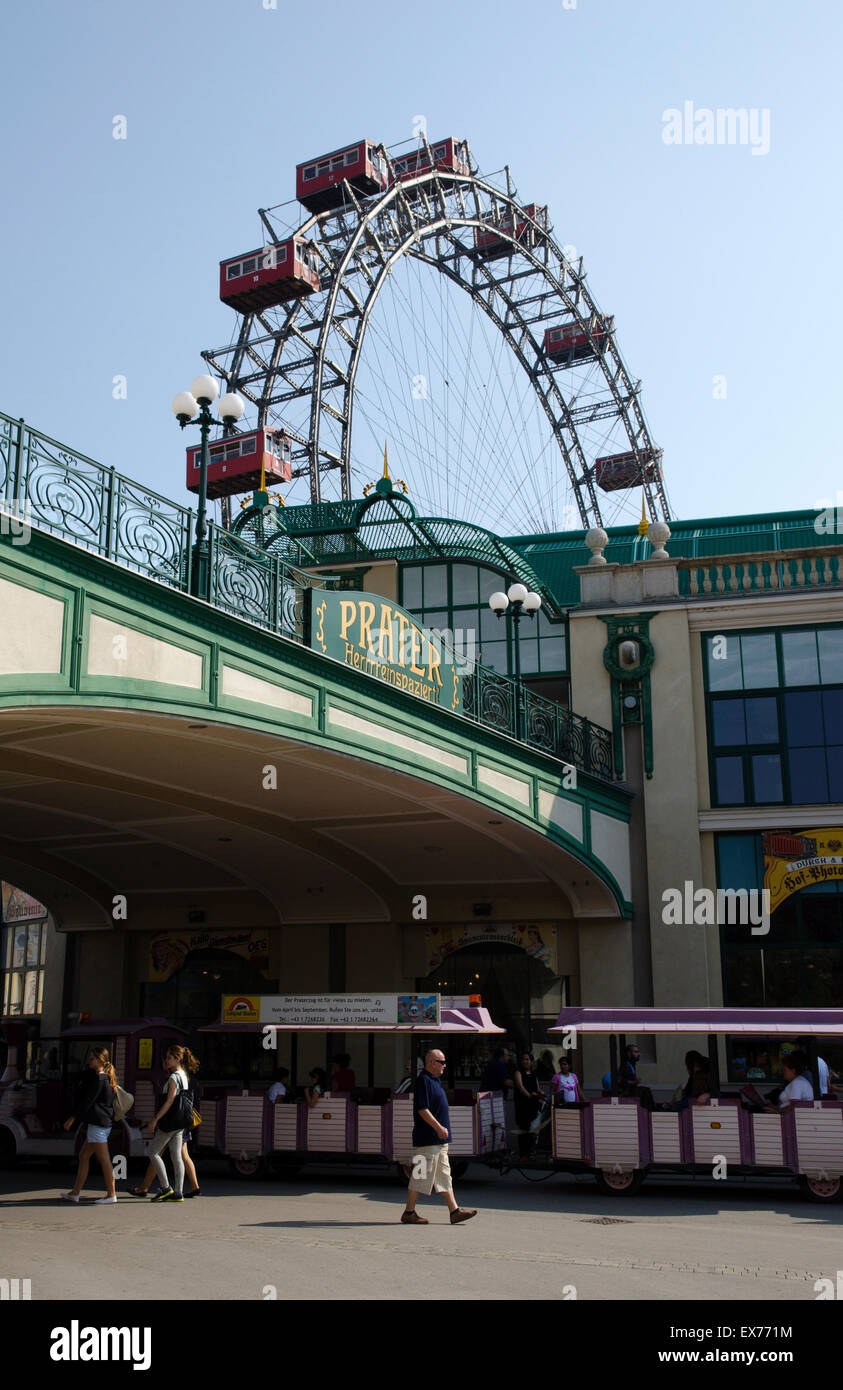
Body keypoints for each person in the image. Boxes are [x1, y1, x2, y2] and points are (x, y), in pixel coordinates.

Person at [401, 1048, 476, 1226]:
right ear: (432, 1063)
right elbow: (422, 1109)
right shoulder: (423, 1081)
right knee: (420, 1175)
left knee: (444, 1175)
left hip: (439, 1141)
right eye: (441, 1062)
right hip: (427, 1139)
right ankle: (409, 1212)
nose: (444, 1065)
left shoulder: (435, 1081)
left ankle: (454, 1211)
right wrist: (438, 1127)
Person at [61, 1045, 118, 1204]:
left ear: (100, 1060)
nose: (89, 1061)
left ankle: (111, 1194)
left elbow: (88, 1101)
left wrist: (72, 1118)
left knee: (104, 1159)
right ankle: (75, 1192)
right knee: (84, 1155)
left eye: (92, 1058)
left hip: (98, 1124)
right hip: (103, 1123)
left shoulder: (99, 1078)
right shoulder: (107, 1077)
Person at [144, 1044, 192, 1202]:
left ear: (177, 1059)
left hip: (169, 1122)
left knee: (153, 1152)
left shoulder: (173, 1077)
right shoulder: (183, 1075)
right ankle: (179, 1192)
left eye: (169, 1058)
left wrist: (155, 1119)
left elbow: (169, 1101)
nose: (166, 1060)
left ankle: (166, 1188)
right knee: (176, 1156)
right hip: (181, 1122)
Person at [513, 1052, 544, 1157]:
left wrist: (541, 1092)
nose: (525, 1061)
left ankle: (531, 1151)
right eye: (523, 1059)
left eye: (527, 1059)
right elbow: (520, 1087)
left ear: (531, 1062)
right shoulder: (518, 1072)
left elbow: (537, 1086)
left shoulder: (534, 1074)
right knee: (524, 1127)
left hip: (533, 1104)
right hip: (523, 1104)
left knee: (533, 1128)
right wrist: (529, 1095)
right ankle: (523, 1152)